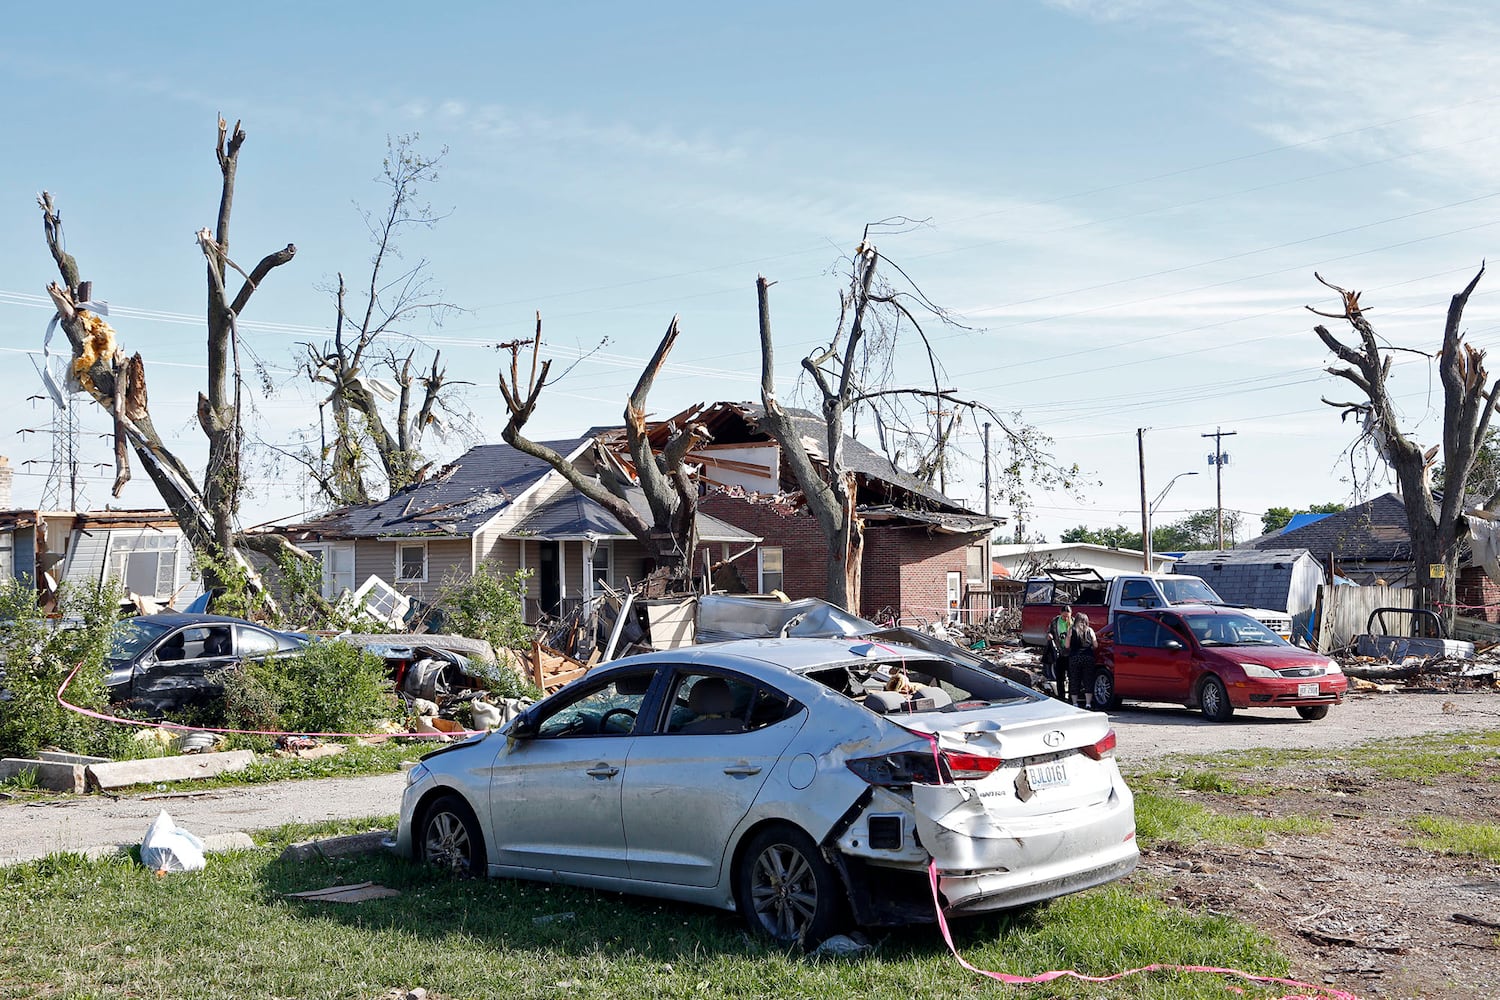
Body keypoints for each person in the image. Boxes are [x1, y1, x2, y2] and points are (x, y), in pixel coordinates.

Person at [1066, 612, 1099, 709]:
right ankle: (1088, 703)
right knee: (1088, 679)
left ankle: (1075, 703)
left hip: (1074, 657)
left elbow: (1067, 645)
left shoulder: (1071, 630)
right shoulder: (1090, 630)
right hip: (1088, 657)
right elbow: (1096, 645)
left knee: (1074, 679)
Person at [1044, 606, 1073, 701]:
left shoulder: (1073, 621)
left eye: (1067, 616)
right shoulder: (1055, 621)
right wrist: (1049, 635)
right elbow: (1049, 631)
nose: (1066, 618)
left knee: (1072, 676)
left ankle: (1072, 696)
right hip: (1059, 652)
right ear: (1060, 613)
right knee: (1060, 676)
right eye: (1064, 616)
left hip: (1071, 653)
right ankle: (1061, 696)